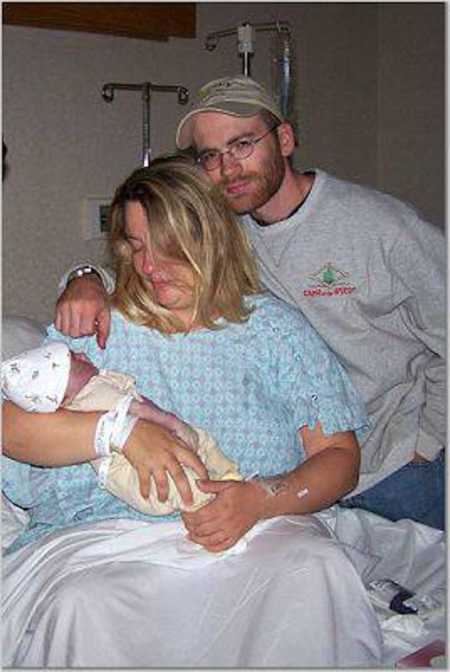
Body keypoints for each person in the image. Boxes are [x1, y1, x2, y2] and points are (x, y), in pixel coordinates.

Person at [2, 157, 383, 668]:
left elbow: (339, 456)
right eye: (136, 246)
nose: (149, 267)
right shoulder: (101, 327)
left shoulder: (274, 333)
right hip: (113, 541)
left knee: (317, 570)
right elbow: (13, 429)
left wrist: (259, 500)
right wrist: (120, 432)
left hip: (251, 527)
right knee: (89, 606)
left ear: (212, 238)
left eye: (167, 248)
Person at [56, 75, 445, 530]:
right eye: (210, 156)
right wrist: (84, 279)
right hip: (305, 469)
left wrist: (429, 437)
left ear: (284, 139)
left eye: (242, 145)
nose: (228, 168)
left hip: (398, 457)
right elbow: (152, 261)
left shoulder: (379, 228)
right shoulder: (228, 229)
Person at [2, 341, 241, 515]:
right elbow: (141, 410)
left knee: (193, 452)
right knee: (181, 470)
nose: (83, 354)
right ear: (62, 396)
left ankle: (223, 483)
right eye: (74, 359)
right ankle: (211, 498)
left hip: (132, 465)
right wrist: (172, 422)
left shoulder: (91, 389)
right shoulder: (92, 393)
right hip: (130, 470)